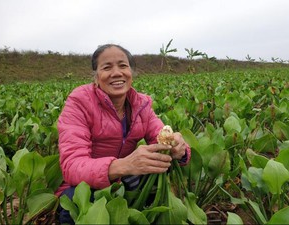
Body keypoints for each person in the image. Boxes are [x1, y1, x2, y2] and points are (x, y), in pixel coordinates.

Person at [56, 44, 191, 224]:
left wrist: (179, 148)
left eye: (122, 65)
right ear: (96, 77)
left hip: (126, 180)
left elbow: (161, 135)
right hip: (86, 187)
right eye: (107, 67)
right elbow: (72, 165)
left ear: (131, 73)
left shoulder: (140, 104)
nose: (117, 73)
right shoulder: (79, 102)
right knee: (75, 203)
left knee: (158, 181)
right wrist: (123, 165)